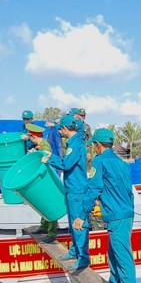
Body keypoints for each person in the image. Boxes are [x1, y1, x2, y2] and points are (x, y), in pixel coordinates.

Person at [76, 128, 140, 283]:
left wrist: (81, 215)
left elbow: (93, 187)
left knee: (122, 257)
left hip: (117, 216)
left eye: (93, 146)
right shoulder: (121, 163)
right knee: (112, 252)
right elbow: (127, 190)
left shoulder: (99, 161)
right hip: (125, 213)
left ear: (97, 145)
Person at [43, 115, 89, 269]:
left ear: (64, 128)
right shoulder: (74, 143)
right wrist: (52, 155)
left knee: (78, 224)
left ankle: (83, 257)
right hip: (72, 189)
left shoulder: (75, 145)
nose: (60, 132)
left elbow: (67, 164)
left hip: (77, 190)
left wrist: (49, 160)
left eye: (60, 129)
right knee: (72, 223)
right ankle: (75, 250)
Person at [23, 122, 58, 241]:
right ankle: (44, 226)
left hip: (46, 178)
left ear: (34, 137)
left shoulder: (45, 147)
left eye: (30, 137)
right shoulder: (40, 146)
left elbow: (44, 163)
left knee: (50, 204)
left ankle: (52, 233)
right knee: (43, 204)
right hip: (42, 178)